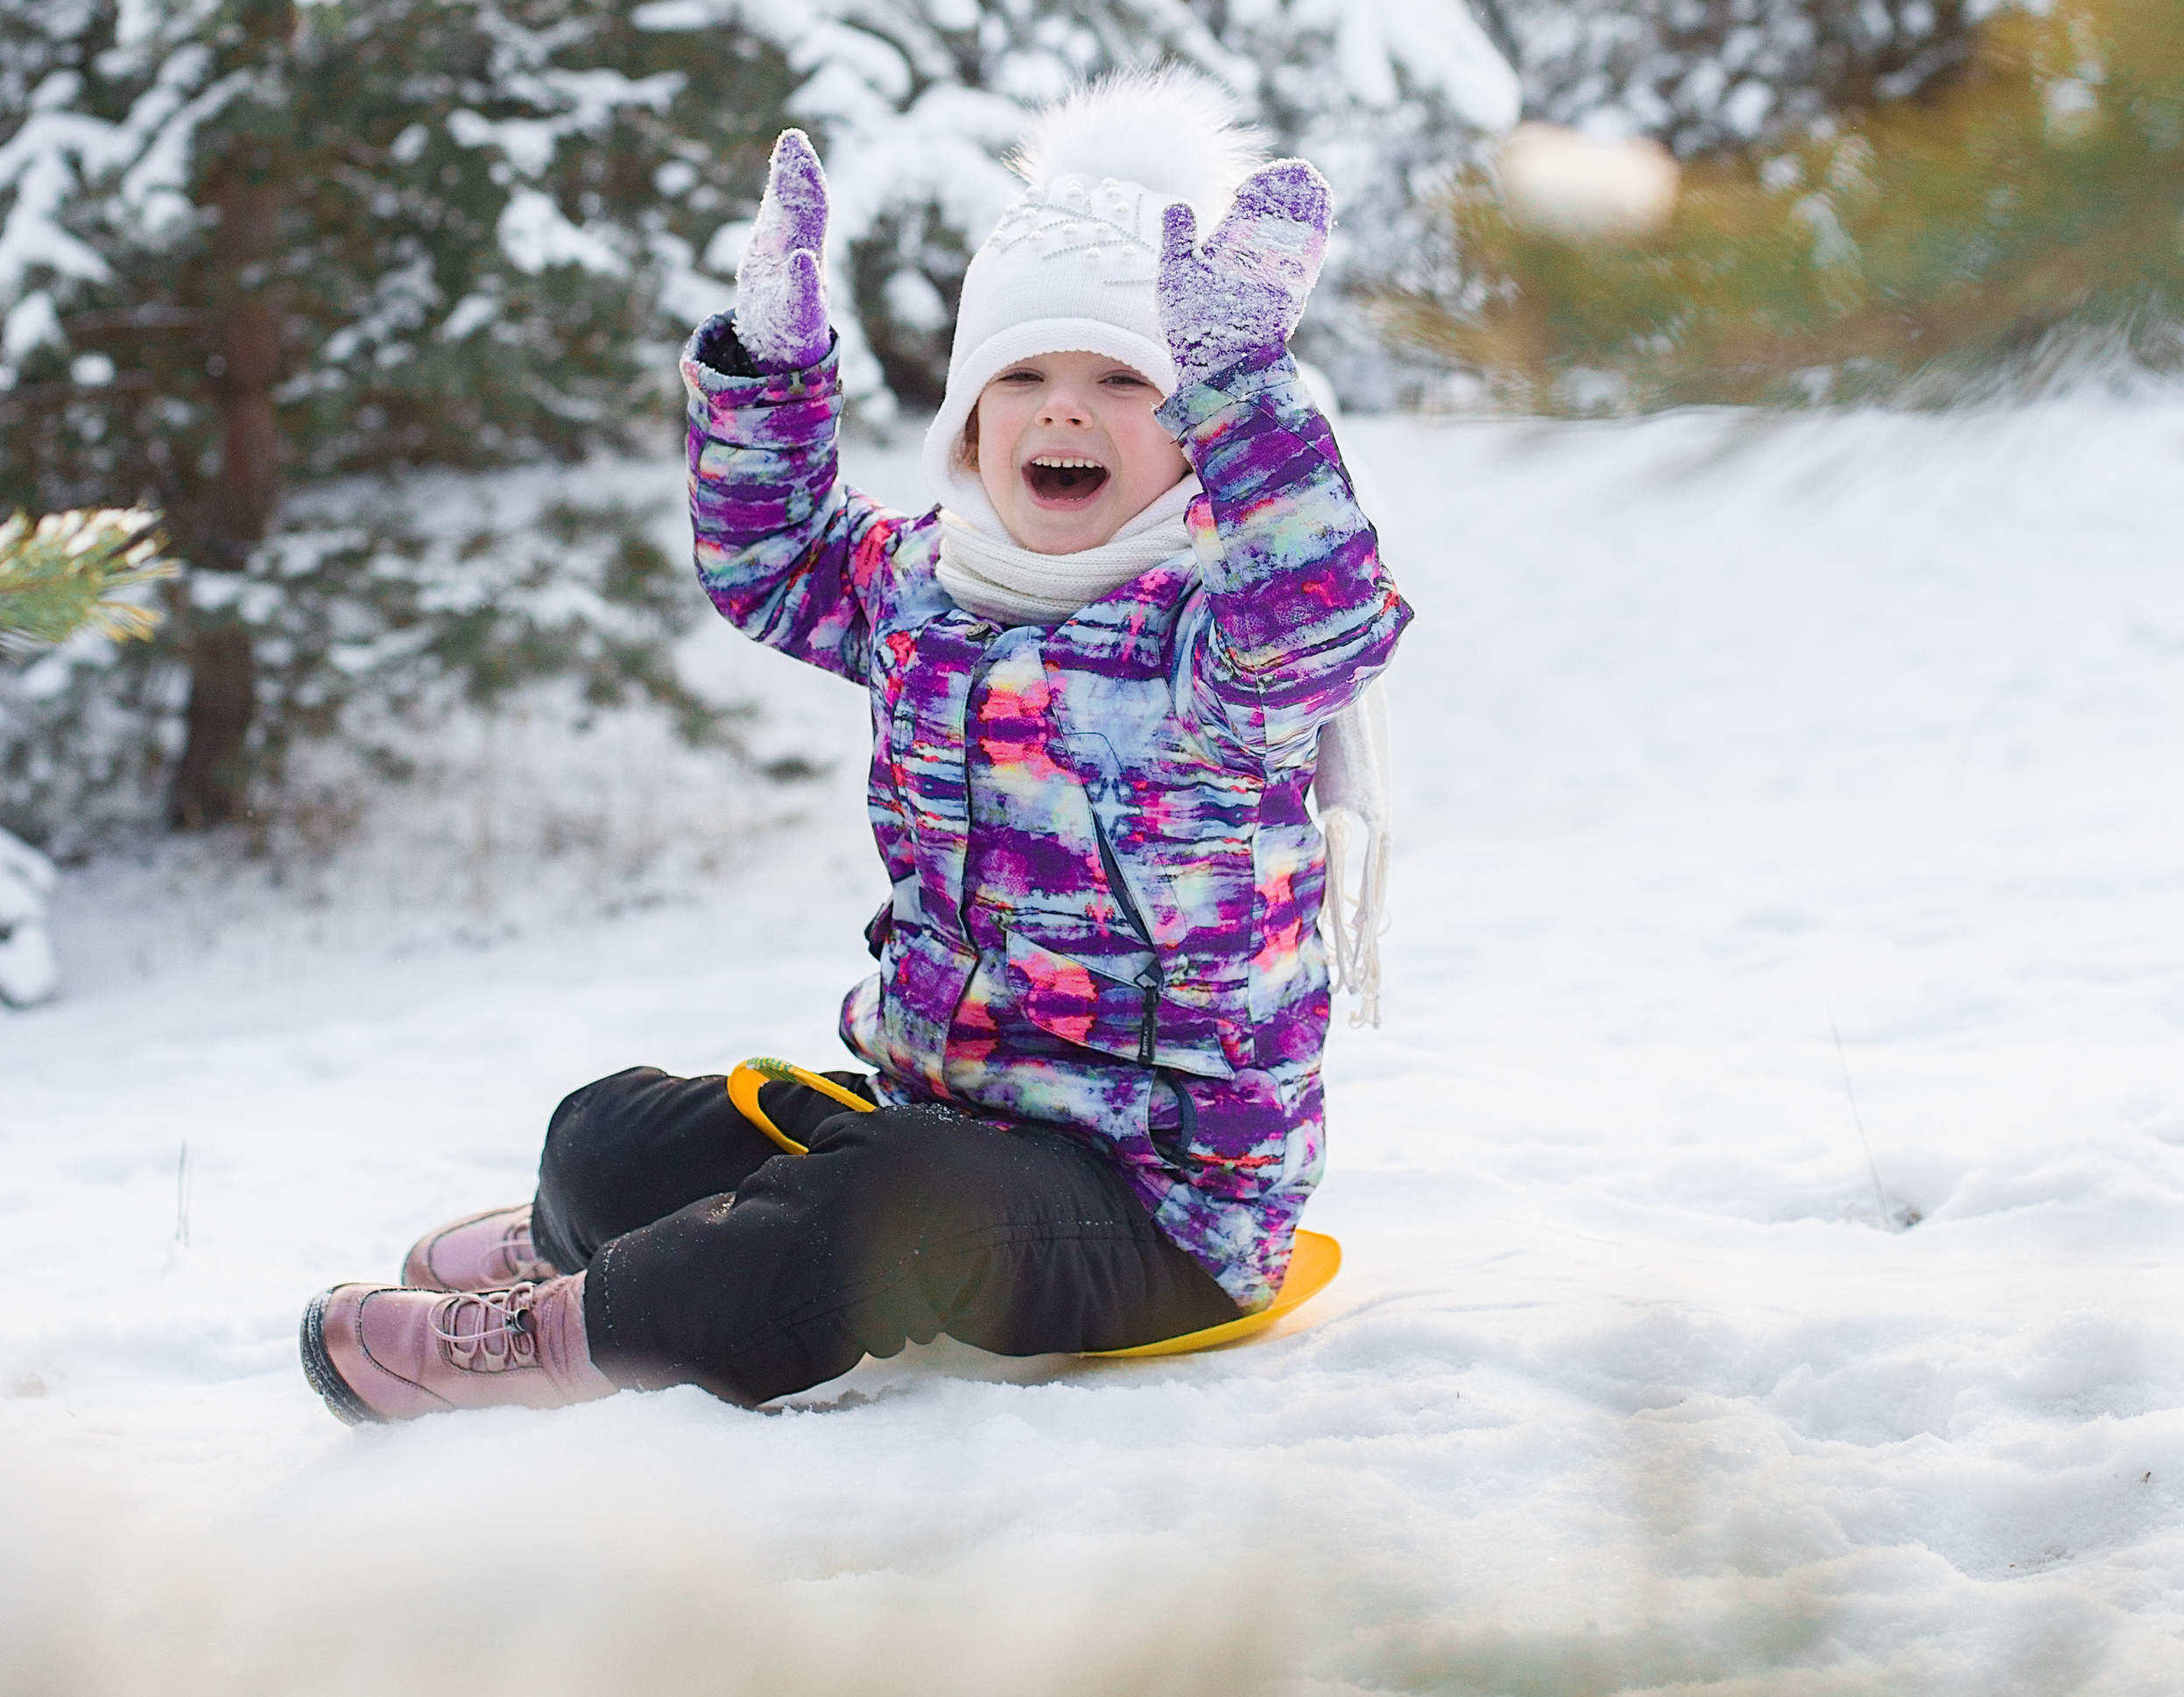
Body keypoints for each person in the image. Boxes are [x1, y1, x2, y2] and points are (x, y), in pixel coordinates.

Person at [300, 70, 1409, 1423]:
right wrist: (770, 375)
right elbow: (771, 561)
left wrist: (1247, 396)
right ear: (970, 422)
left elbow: (1326, 620)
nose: (1066, 411)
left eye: (1126, 381)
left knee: (877, 1216)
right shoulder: (921, 591)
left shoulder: (1214, 649)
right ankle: (585, 1236)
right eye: (1025, 378)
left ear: (1191, 440)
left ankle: (553, 1338)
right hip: (932, 1110)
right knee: (607, 1135)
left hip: (1155, 1205)